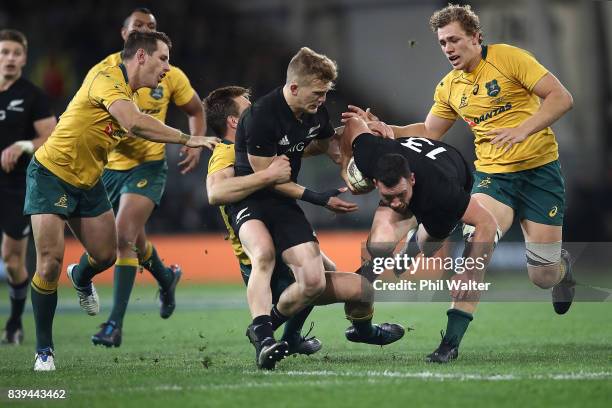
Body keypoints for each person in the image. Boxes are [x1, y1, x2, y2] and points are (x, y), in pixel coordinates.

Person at [343, 3, 574, 363]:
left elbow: (562, 98)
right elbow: (430, 131)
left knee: (542, 277)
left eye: (454, 40)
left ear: (476, 38)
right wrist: (389, 130)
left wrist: (521, 130)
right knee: (476, 245)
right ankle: (450, 342)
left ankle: (562, 269)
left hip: (541, 175)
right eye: (442, 43)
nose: (448, 48)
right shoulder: (450, 87)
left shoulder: (509, 58)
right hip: (494, 179)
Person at [24, 31, 219, 371]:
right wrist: (190, 138)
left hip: (89, 181)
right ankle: (44, 350)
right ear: (141, 57)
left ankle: (81, 276)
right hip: (50, 175)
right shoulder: (106, 77)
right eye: (163, 59)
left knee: (105, 255)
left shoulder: (130, 90)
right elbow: (134, 123)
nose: (167, 68)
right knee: (49, 262)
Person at [205, 86, 404, 369]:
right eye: (248, 105)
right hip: (272, 270)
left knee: (331, 271)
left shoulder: (263, 144)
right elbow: (215, 192)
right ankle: (268, 332)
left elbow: (306, 143)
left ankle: (293, 336)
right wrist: (270, 176)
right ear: (234, 122)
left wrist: (356, 130)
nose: (256, 109)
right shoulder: (225, 153)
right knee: (342, 283)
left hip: (284, 240)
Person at [83, 8, 206, 348]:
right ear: (125, 35)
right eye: (138, 26)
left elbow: (195, 109)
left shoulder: (170, 74)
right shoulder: (105, 72)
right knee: (134, 240)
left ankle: (113, 325)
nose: (145, 30)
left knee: (122, 235)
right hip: (108, 167)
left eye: (152, 27)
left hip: (148, 167)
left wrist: (194, 142)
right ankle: (166, 278)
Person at [0, 29, 56, 345]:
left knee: (12, 259)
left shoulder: (33, 96)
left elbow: (51, 136)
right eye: (4, 52)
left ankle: (14, 322)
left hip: (16, 186)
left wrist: (22, 145)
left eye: (15, 53)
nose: (9, 58)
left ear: (24, 58)